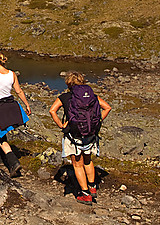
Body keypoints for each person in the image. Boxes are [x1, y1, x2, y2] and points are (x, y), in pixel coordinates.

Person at [48, 71, 112, 205]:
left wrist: (61, 125)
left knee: (77, 164)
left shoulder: (65, 97)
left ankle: (85, 194)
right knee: (87, 161)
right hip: (90, 134)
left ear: (68, 83)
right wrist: (98, 121)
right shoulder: (92, 96)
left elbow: (52, 110)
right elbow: (107, 107)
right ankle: (93, 187)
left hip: (74, 135)